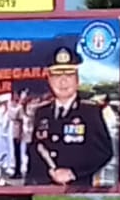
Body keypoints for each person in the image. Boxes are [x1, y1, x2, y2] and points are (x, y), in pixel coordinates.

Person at [24, 45, 115, 187]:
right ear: (48, 79)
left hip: (78, 191)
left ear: (77, 79)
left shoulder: (90, 112)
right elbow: (35, 151)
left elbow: (103, 152)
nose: (63, 81)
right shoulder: (41, 112)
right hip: (42, 190)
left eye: (69, 75)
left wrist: (72, 173)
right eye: (57, 76)